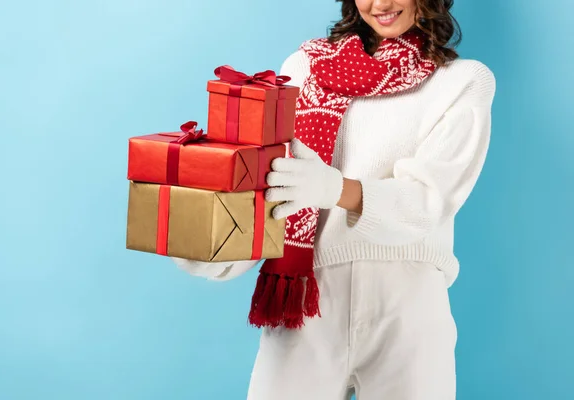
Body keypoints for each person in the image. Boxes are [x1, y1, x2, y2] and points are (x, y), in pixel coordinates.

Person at [173, 0, 496, 398]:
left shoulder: (462, 81)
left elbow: (428, 202)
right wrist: (203, 240)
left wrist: (334, 189)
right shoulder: (304, 68)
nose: (380, 4)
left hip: (406, 307)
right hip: (305, 299)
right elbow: (275, 193)